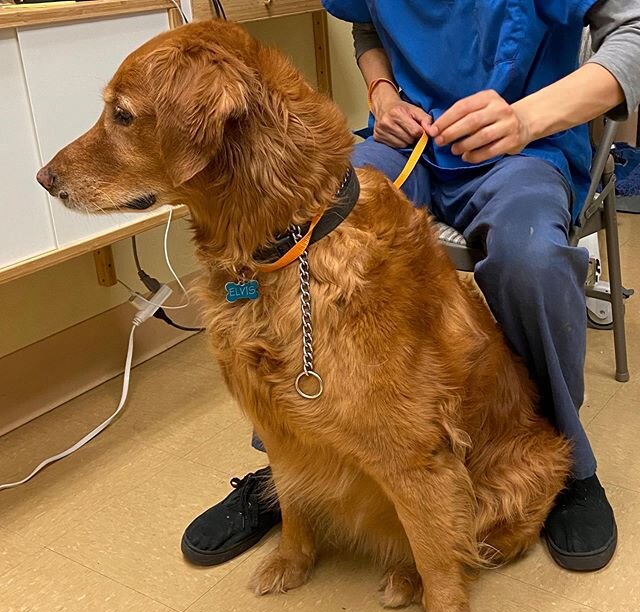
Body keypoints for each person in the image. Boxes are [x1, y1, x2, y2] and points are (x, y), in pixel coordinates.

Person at [181, 0, 640, 572]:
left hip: (524, 147)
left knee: (533, 259)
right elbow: (367, 21)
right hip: (405, 144)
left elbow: (634, 35)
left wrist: (525, 119)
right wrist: (382, 92)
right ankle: (284, 467)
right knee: (285, 226)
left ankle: (570, 467)